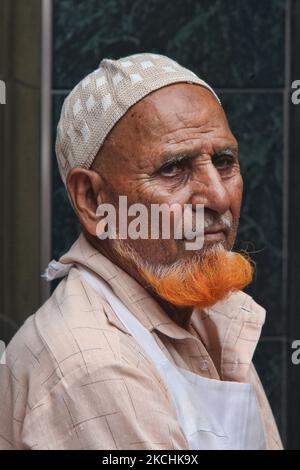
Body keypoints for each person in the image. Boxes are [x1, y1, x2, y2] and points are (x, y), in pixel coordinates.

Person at [0, 53, 283, 450]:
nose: (218, 196)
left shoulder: (203, 313)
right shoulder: (92, 364)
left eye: (224, 161)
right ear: (94, 200)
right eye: (172, 169)